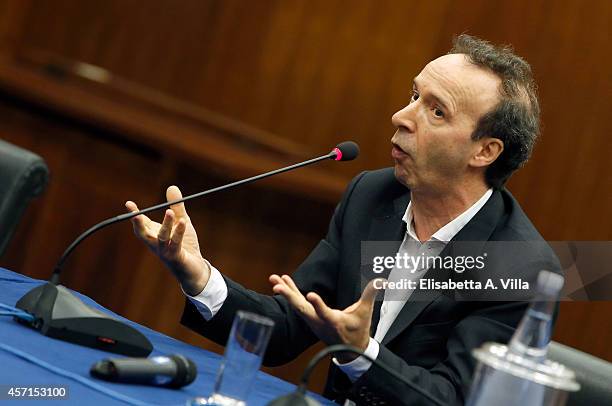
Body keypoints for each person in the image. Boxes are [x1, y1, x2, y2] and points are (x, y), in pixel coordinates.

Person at [126, 34, 560, 405]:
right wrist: (199, 275)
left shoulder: (518, 265)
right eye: (414, 96)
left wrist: (360, 352)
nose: (400, 117)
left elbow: (452, 399)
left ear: (484, 151)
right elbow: (286, 328)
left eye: (436, 111)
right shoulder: (372, 196)